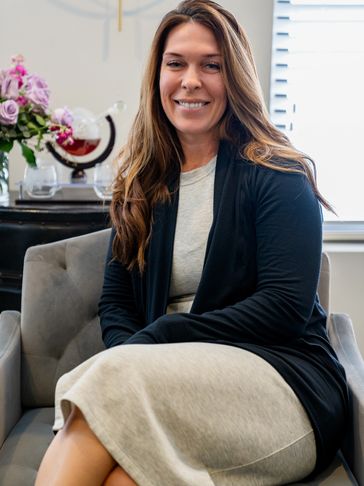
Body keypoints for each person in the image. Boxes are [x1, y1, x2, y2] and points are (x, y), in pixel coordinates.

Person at [35, 1, 350, 485]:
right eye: (176, 63)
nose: (190, 80)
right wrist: (134, 352)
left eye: (212, 65)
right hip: (165, 383)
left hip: (281, 385)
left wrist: (152, 343)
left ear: (236, 78)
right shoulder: (142, 181)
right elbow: (116, 303)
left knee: (109, 380)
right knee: (122, 476)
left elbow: (283, 307)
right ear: (157, 73)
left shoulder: (279, 174)